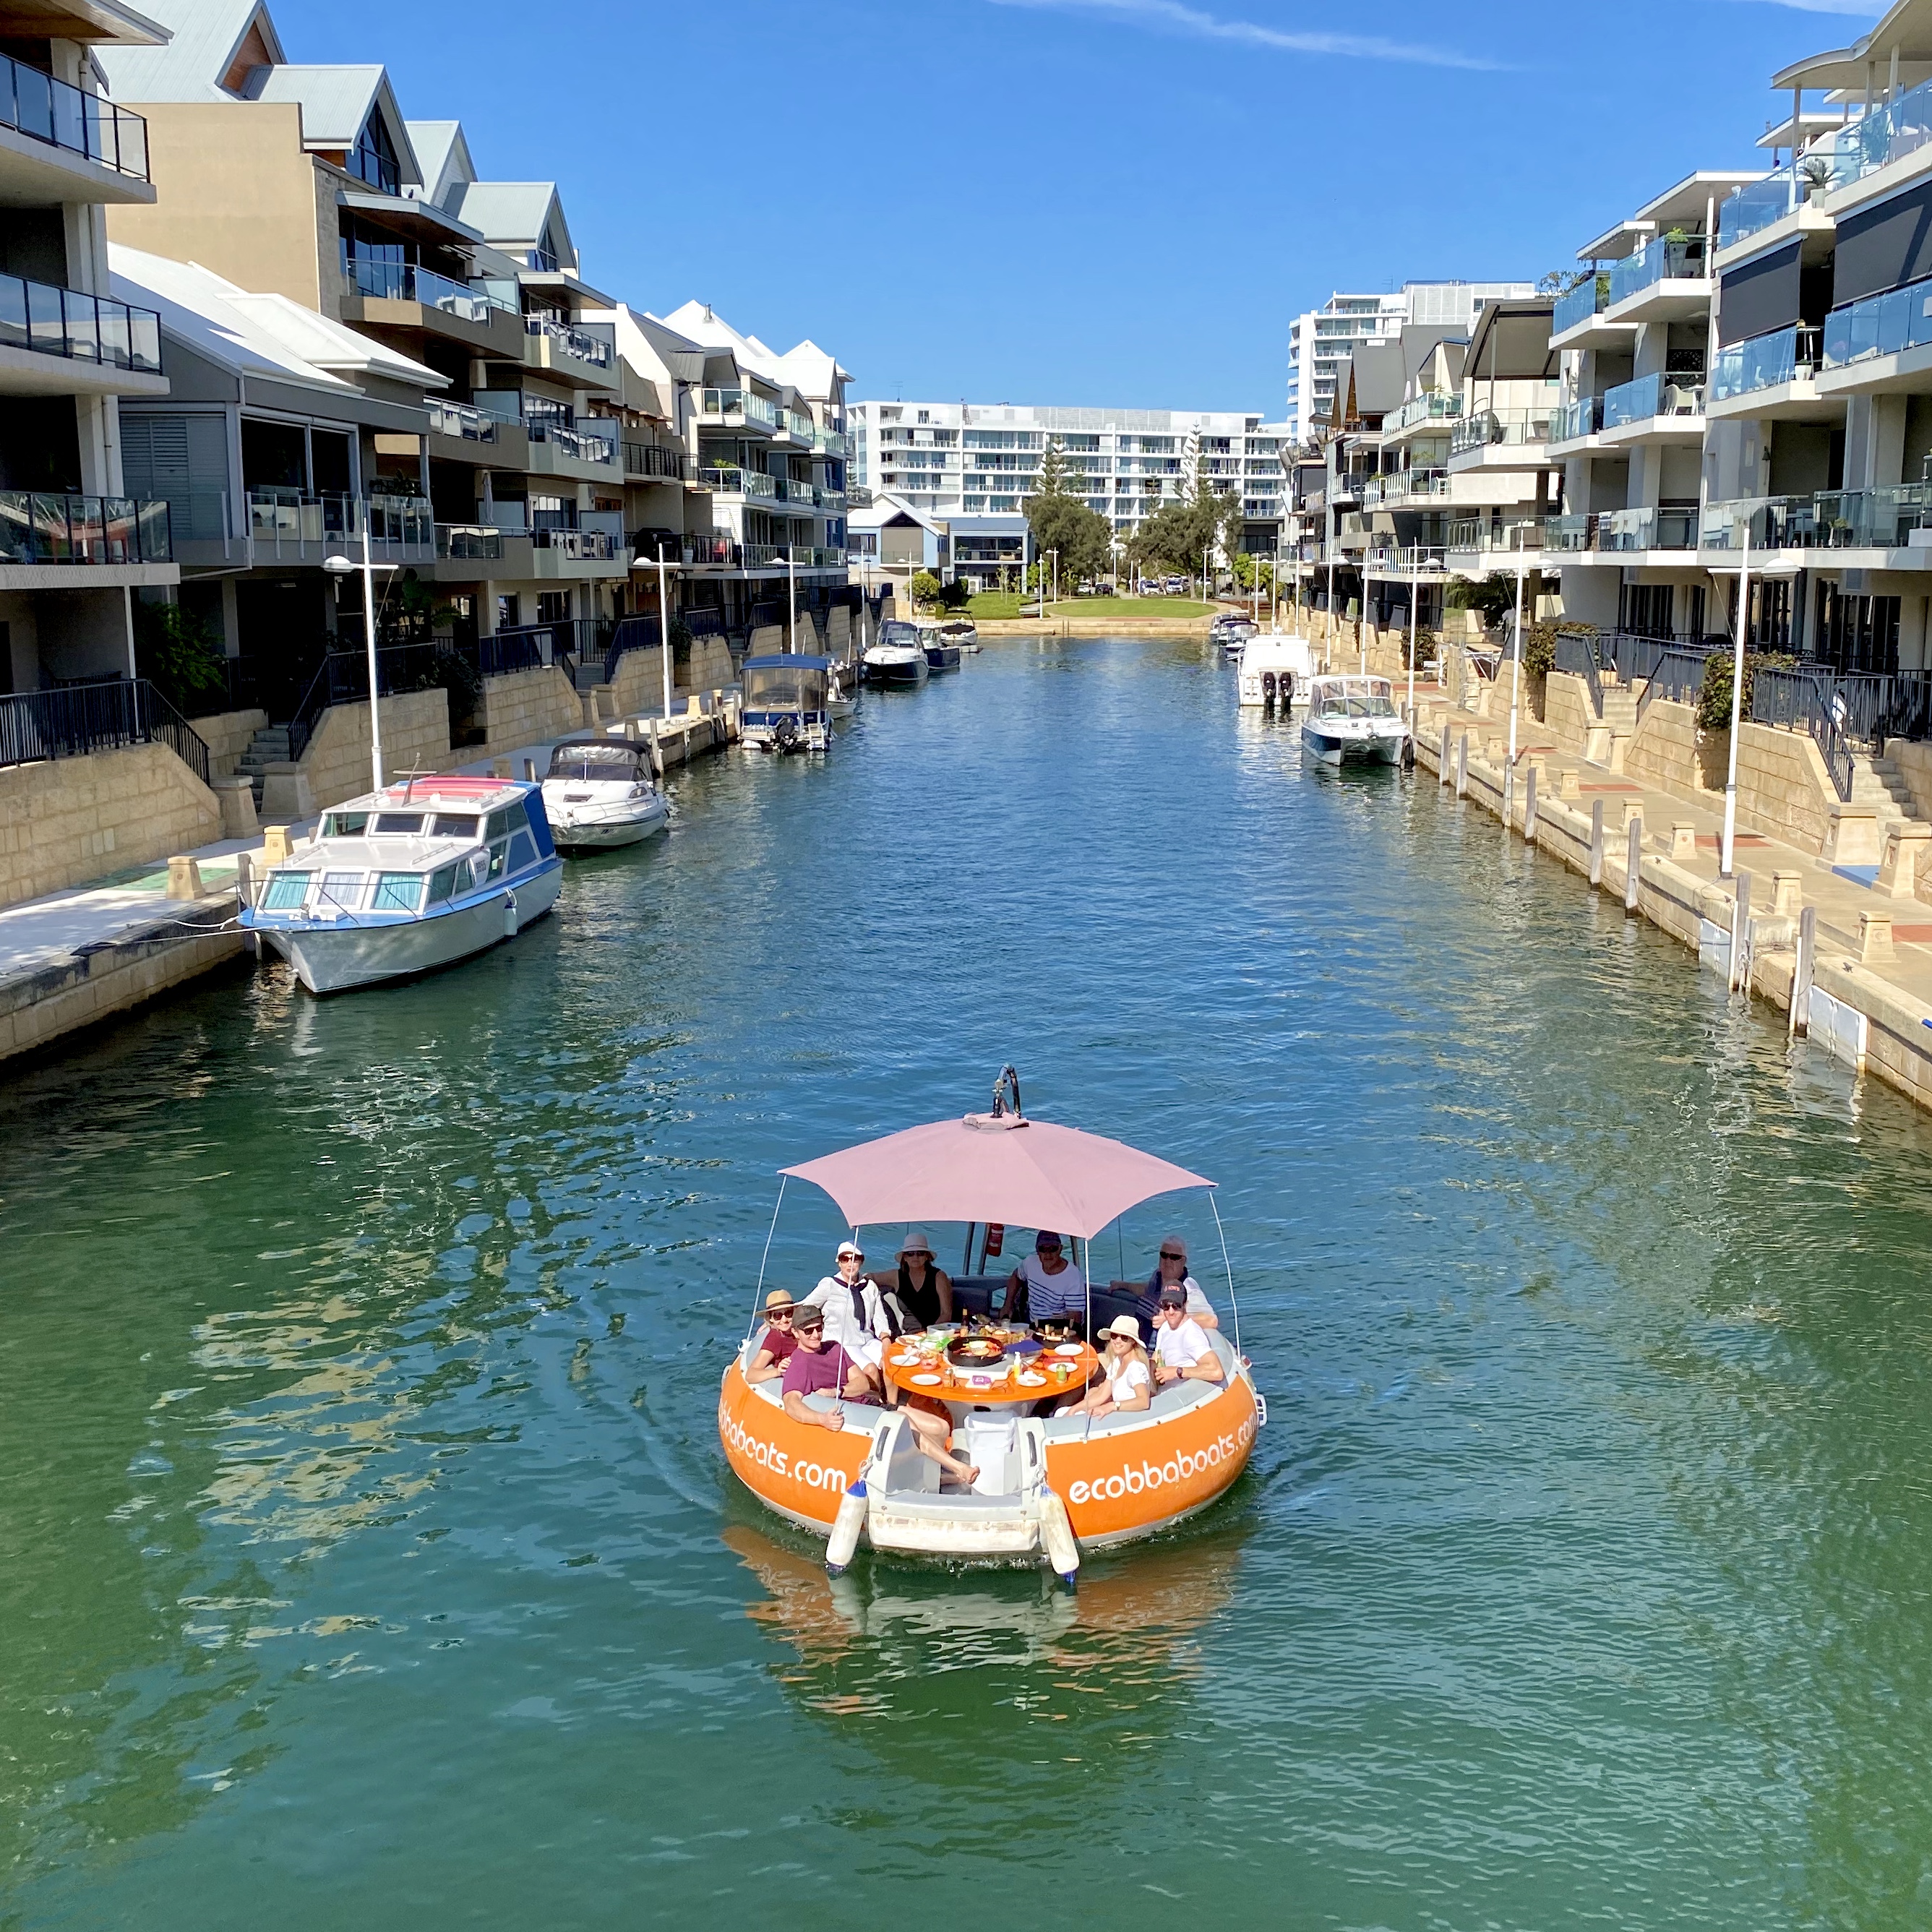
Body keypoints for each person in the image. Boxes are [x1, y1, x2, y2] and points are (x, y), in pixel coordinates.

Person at [781, 1305, 878, 1431]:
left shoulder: (835, 1348)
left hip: (869, 1405)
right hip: (856, 1416)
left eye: (819, 1328)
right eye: (809, 1331)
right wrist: (822, 1420)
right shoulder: (800, 1363)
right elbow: (791, 1404)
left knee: (911, 1415)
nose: (816, 1335)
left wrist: (836, 1392)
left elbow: (864, 1383)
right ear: (795, 1332)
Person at [802, 1240, 889, 1381]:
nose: (850, 1264)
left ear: (861, 1262)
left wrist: (885, 1339)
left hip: (867, 1340)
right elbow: (806, 1307)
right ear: (839, 1262)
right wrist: (776, 1320)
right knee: (871, 1370)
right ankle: (877, 1401)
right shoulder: (829, 1285)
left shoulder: (870, 1286)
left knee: (891, 1366)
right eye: (845, 1259)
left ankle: (892, 1401)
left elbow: (880, 1318)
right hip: (843, 1343)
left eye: (855, 1259)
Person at [1056, 1314, 1152, 1417]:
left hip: (1126, 1419)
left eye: (1124, 1338)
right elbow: (1102, 1395)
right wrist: (1074, 1409)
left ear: (1133, 1341)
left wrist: (1111, 1406)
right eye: (1114, 1336)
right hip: (1116, 1414)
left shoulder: (1136, 1368)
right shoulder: (1117, 1362)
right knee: (1061, 1412)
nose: (1118, 1341)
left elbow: (1144, 1401)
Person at [868, 1229, 952, 1328]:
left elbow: (946, 1314)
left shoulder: (939, 1277)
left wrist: (929, 1334)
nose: (915, 1257)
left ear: (927, 1257)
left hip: (936, 1332)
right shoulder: (896, 1276)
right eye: (910, 1254)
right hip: (909, 1335)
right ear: (905, 1258)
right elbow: (871, 1277)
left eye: (920, 1253)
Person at [1008, 1230, 1086, 1328]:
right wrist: (1007, 1306)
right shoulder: (1030, 1263)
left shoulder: (1073, 1277)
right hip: (1031, 1324)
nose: (1048, 1255)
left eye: (1053, 1249)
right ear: (1037, 1250)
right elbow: (1016, 1276)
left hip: (1059, 1328)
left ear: (1060, 1249)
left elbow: (1074, 1322)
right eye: (1043, 1249)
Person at [1151, 1286, 1225, 1388]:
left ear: (1185, 1305)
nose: (1171, 1312)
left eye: (1176, 1306)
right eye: (1166, 1306)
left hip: (1183, 1395)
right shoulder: (1165, 1328)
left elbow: (1216, 1372)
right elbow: (1157, 1357)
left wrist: (1177, 1372)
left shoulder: (1191, 1334)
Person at [1141, 1235, 1218, 1329]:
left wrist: (1173, 1320)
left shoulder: (1188, 1289)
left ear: (1183, 1261)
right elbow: (1147, 1289)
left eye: (1175, 1257)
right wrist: (1122, 1285)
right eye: (1164, 1255)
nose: (1168, 1261)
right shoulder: (1157, 1277)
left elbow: (1212, 1321)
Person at [747, 1289, 799, 1383]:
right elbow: (751, 1375)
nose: (784, 1320)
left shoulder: (795, 1331)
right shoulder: (776, 1338)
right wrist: (778, 1371)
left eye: (788, 1314)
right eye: (778, 1316)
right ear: (770, 1318)